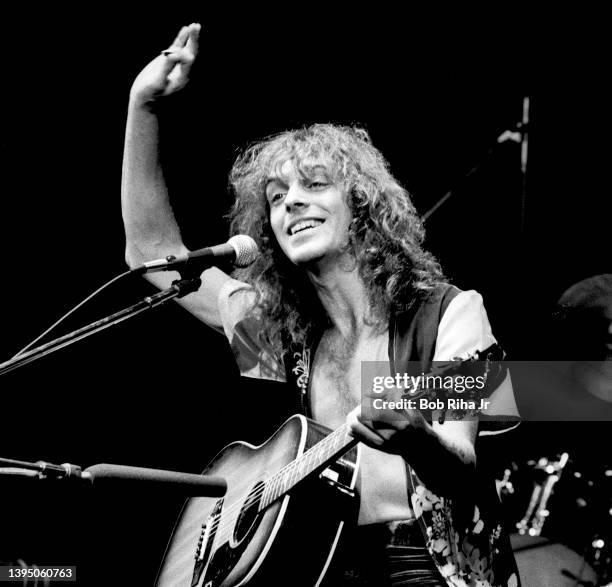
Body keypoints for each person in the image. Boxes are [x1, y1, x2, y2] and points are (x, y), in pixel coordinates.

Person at [122, 23, 520, 587]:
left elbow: (460, 462)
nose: (292, 204)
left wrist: (415, 437)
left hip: (423, 565)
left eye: (313, 185)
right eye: (278, 197)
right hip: (318, 562)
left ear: (361, 205)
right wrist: (145, 107)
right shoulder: (284, 332)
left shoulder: (448, 315)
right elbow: (154, 255)